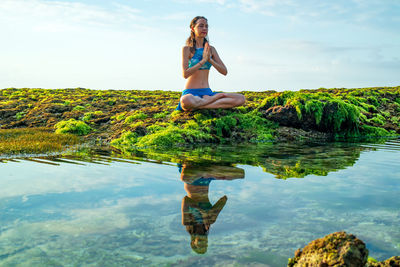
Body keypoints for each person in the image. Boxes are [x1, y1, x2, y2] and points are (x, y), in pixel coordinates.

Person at [176, 16, 245, 111]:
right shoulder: (187, 49)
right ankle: (212, 100)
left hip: (207, 93)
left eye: (206, 26)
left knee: (241, 98)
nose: (204, 28)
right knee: (186, 101)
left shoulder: (211, 49)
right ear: (193, 28)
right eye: (201, 26)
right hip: (191, 93)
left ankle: (201, 105)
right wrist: (203, 61)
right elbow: (185, 74)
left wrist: (210, 60)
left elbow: (224, 71)